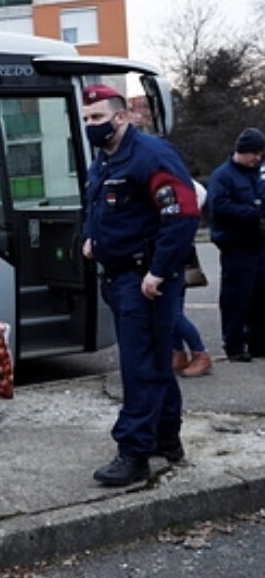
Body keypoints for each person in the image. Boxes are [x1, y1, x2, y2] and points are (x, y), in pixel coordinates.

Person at [80, 84, 200, 486]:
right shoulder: (105, 161)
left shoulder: (151, 155)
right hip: (118, 275)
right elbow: (97, 206)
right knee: (152, 360)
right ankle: (166, 439)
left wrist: (159, 271)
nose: (90, 125)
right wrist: (90, 238)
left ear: (121, 116)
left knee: (140, 367)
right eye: (86, 119)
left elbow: (181, 214)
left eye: (97, 117)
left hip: (145, 280)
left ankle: (133, 454)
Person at [205, 127, 265, 362]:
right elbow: (219, 206)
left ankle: (259, 342)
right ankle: (234, 344)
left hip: (258, 244)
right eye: (255, 154)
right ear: (243, 151)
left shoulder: (256, 173)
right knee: (236, 298)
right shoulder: (223, 176)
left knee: (260, 296)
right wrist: (253, 213)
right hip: (236, 246)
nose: (258, 158)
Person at [172, 181, 212, 377]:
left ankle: (199, 353)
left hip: (173, 256)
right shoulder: (188, 184)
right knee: (173, 311)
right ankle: (178, 354)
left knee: (172, 313)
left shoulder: (180, 185)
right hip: (177, 254)